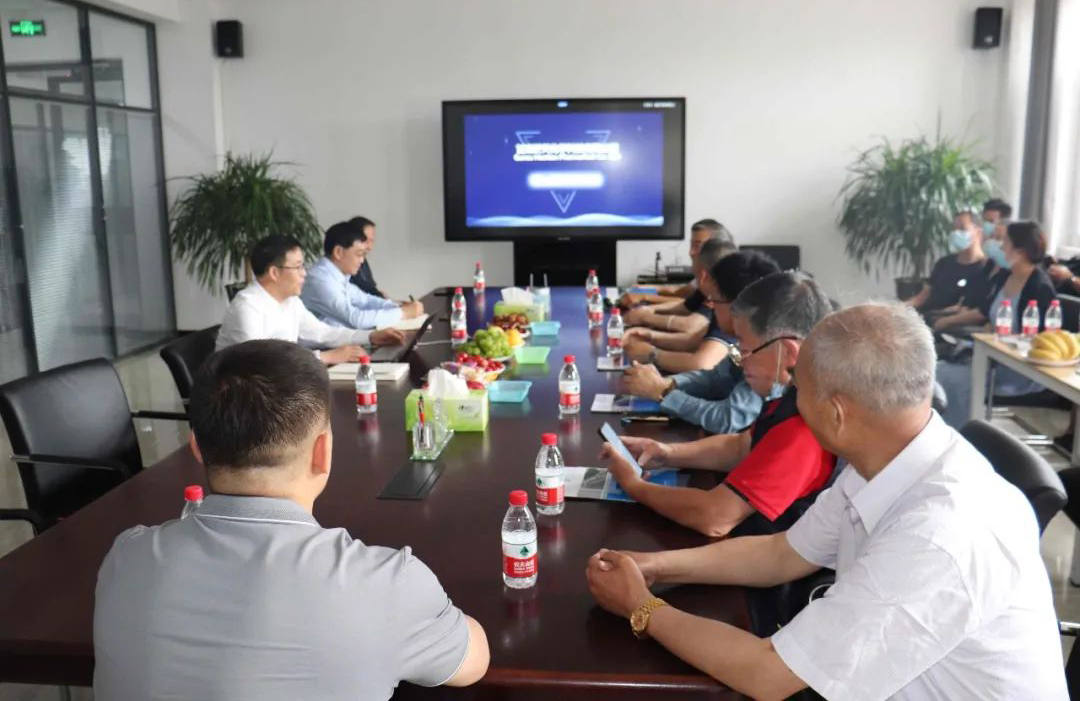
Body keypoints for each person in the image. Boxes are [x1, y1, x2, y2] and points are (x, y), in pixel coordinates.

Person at [586, 303, 1067, 700]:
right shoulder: (889, 459)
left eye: (799, 389)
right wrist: (656, 566)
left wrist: (641, 608)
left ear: (836, 413)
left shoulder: (940, 534)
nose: (790, 398)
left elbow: (769, 675)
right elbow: (781, 553)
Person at [94, 340, 490, 699]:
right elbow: (473, 661)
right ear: (322, 452)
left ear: (196, 447)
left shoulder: (126, 557)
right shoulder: (386, 583)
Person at [603, 272, 836, 539]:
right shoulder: (796, 392)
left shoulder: (806, 425)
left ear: (789, 352)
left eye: (745, 350)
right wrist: (666, 452)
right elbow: (741, 446)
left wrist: (634, 485)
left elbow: (715, 517)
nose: (740, 361)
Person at [621, 250, 782, 434]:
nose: (711, 307)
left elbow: (728, 418)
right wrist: (667, 384)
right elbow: (716, 378)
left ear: (737, 304)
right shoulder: (749, 337)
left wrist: (663, 393)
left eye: (715, 301)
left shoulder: (768, 350)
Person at [935, 221, 1058, 427]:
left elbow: (1041, 340)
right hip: (992, 356)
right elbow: (987, 314)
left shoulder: (1039, 286)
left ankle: (961, 434)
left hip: (1020, 367)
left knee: (955, 380)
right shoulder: (1005, 276)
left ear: (1019, 251)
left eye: (1005, 243)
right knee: (938, 370)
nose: (1001, 248)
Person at [216, 235, 404, 364]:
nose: (304, 273)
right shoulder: (247, 306)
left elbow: (322, 333)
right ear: (274, 273)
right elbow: (261, 363)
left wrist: (370, 336)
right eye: (298, 267)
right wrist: (326, 357)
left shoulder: (291, 301)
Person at [302, 220, 424, 329]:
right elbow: (355, 319)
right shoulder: (320, 280)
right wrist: (403, 313)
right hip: (323, 346)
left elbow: (365, 301)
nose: (362, 261)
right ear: (338, 252)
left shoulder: (337, 276)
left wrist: (396, 306)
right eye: (359, 254)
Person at [623, 236, 736, 336]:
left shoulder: (724, 297)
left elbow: (691, 325)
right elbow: (684, 306)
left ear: (703, 276)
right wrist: (648, 309)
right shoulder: (709, 288)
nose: (691, 252)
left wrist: (645, 317)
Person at [620, 219, 734, 308]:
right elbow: (681, 292)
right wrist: (645, 288)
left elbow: (692, 305)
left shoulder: (722, 278)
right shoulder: (705, 270)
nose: (691, 252)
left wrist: (644, 296)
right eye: (691, 245)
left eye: (697, 246)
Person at [903, 211, 993, 325]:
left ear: (978, 232)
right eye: (954, 229)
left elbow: (977, 310)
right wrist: (896, 309)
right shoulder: (944, 263)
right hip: (926, 319)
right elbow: (922, 297)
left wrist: (944, 321)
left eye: (962, 229)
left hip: (952, 325)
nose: (956, 233)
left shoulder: (985, 268)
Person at [348, 215, 384, 298]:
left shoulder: (362, 260)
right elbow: (360, 297)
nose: (370, 247)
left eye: (372, 241)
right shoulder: (344, 267)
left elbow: (371, 289)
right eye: (367, 241)